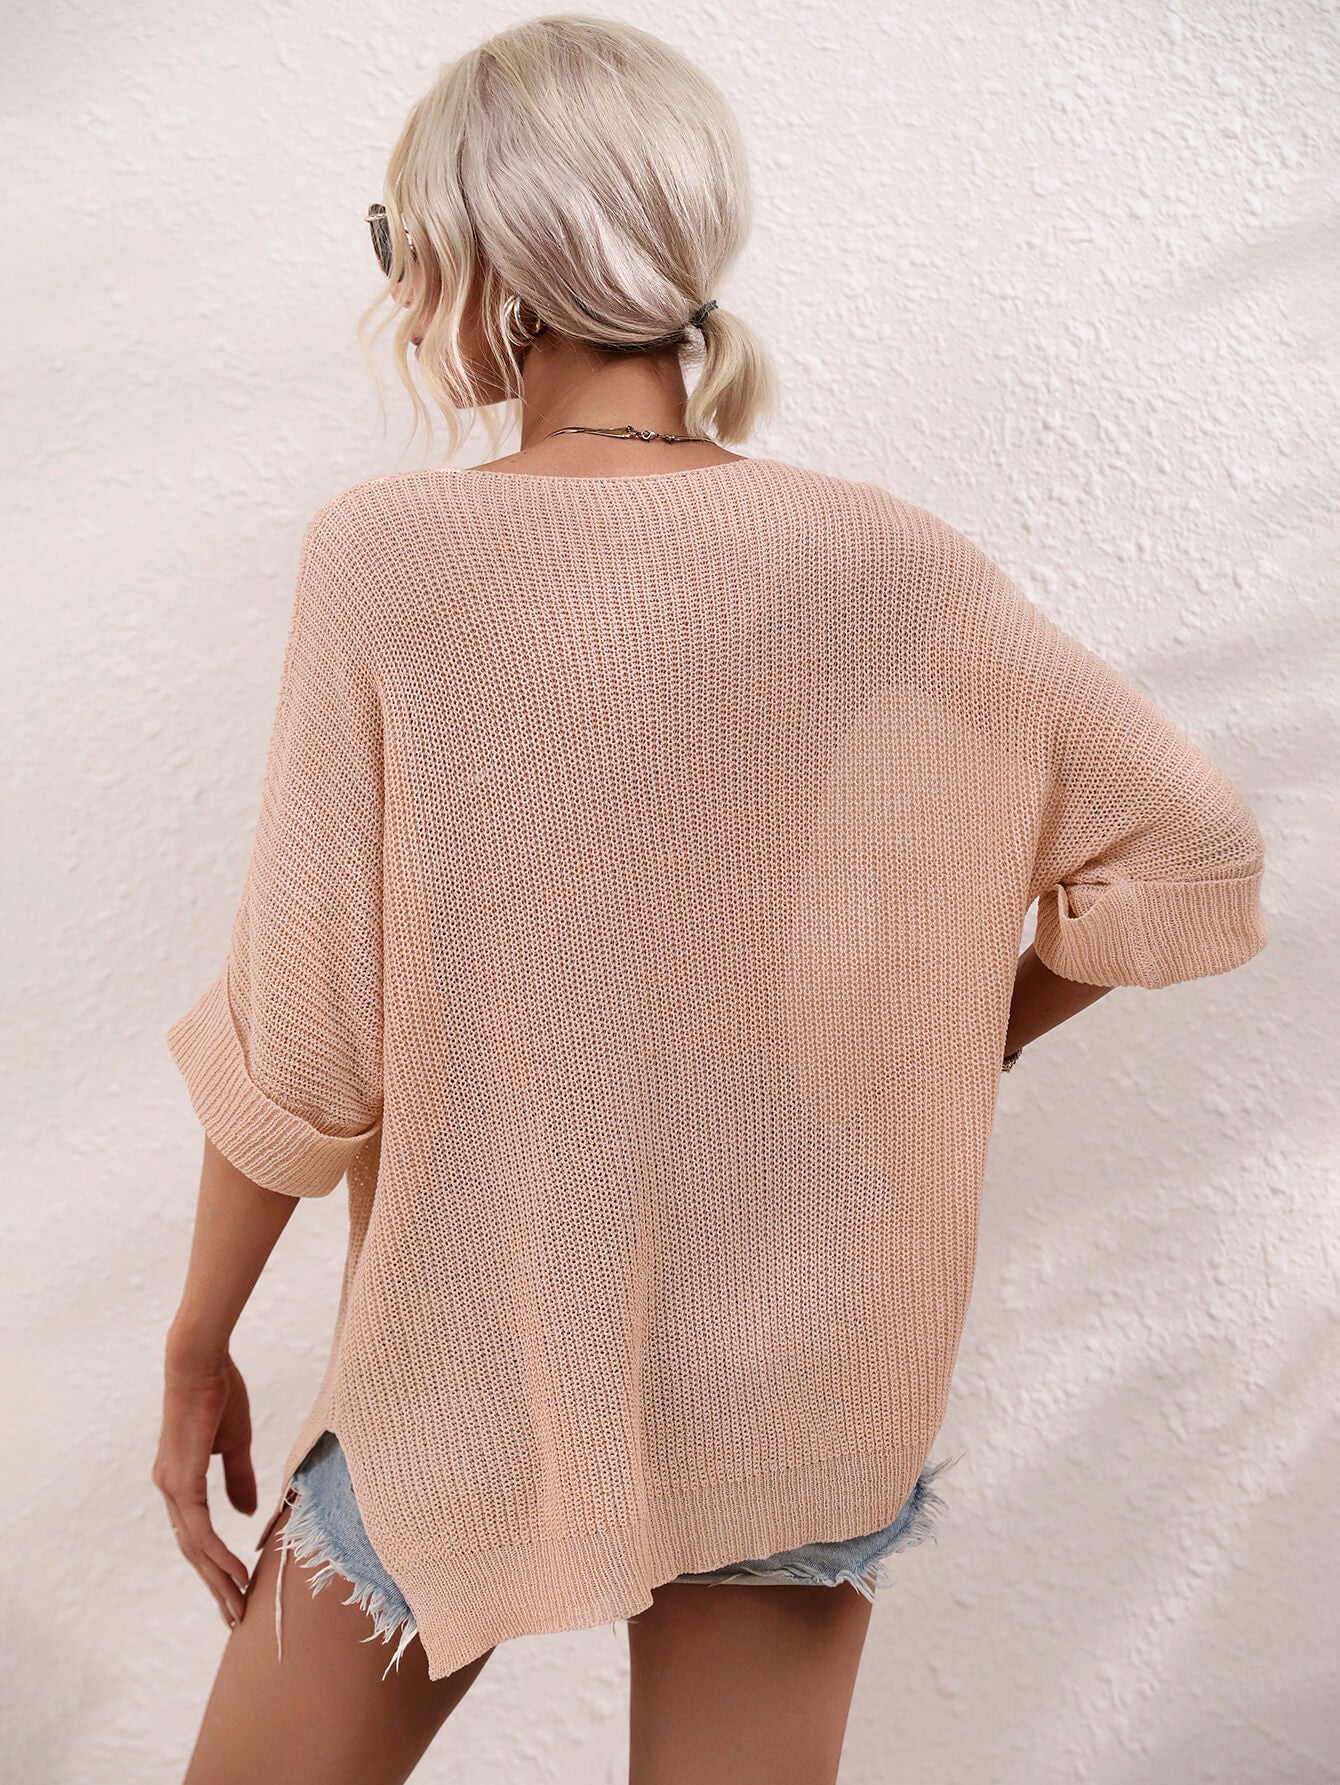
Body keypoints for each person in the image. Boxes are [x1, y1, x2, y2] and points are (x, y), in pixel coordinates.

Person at [153, 16, 1269, 1785]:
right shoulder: (885, 558)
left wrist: (198, 1338)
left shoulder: (394, 555)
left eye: (398, 237)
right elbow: (1190, 853)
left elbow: (308, 1045)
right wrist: (951, 1039)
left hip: (488, 1343)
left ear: (494, 259)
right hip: (807, 1362)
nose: (400, 285)